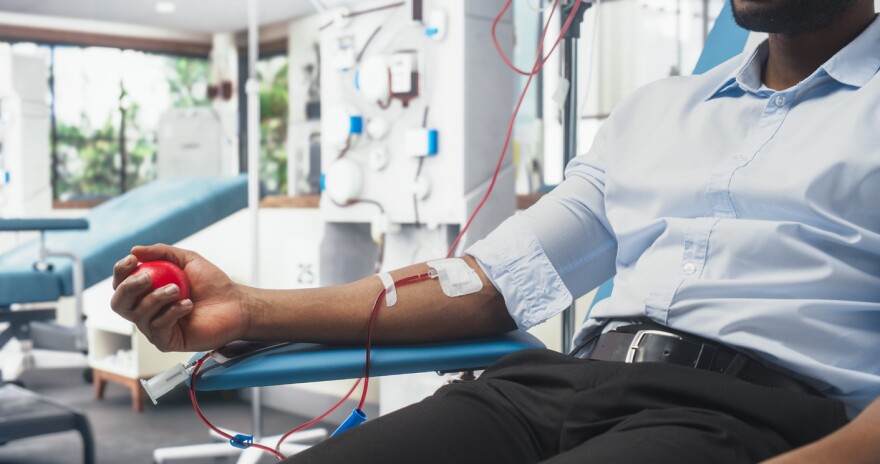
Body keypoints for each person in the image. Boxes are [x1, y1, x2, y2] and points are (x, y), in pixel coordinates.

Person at [111, 0, 880, 462]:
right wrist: (250, 307)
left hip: (743, 414)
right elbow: (490, 282)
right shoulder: (658, 111)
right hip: (556, 387)